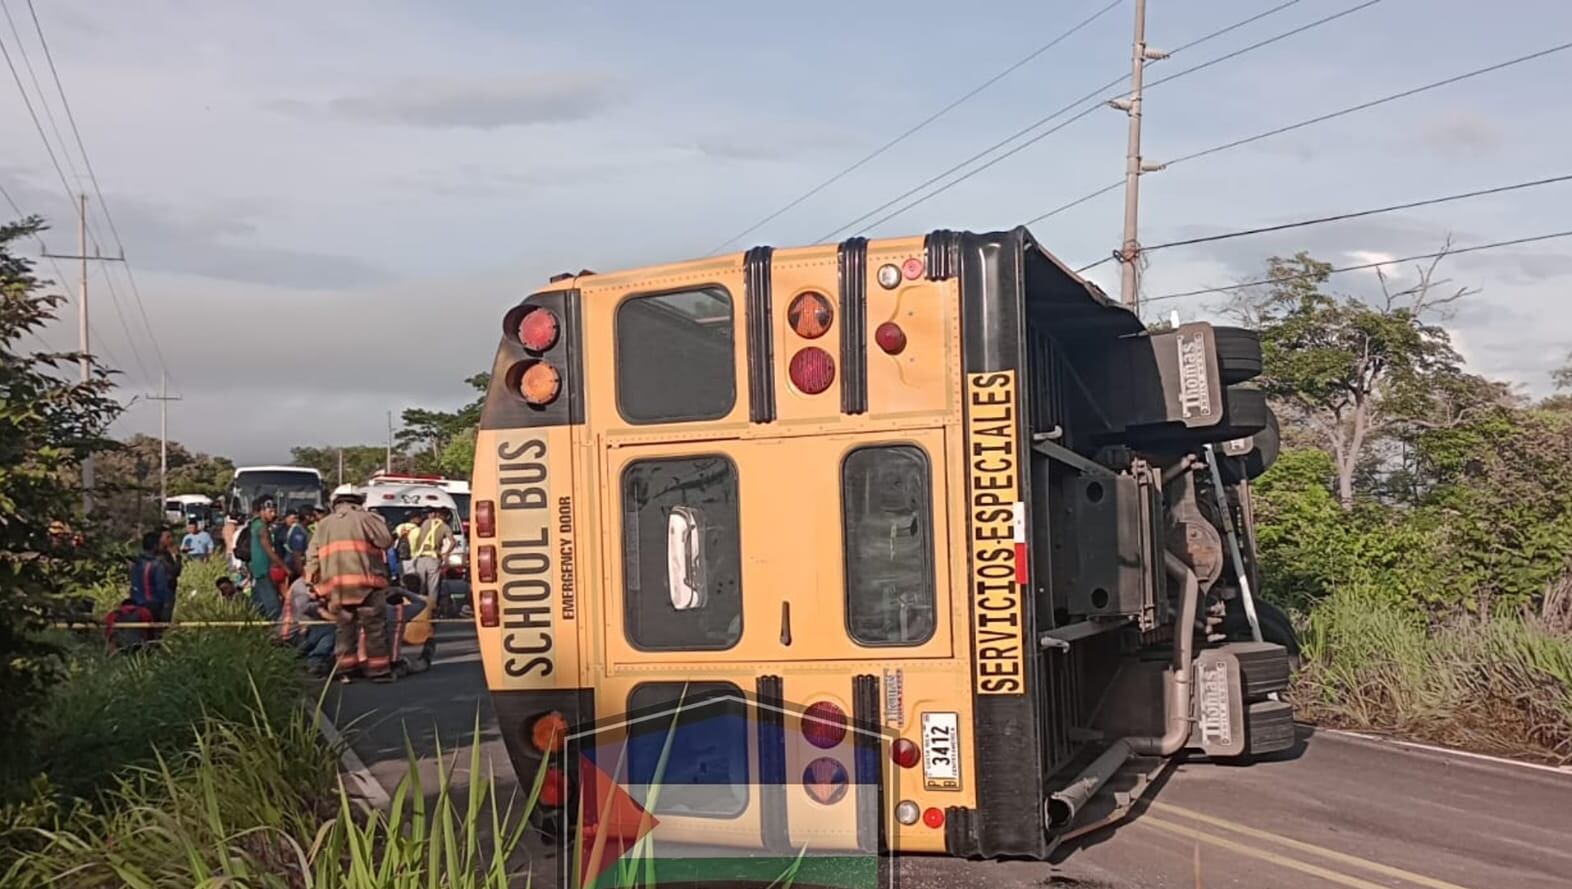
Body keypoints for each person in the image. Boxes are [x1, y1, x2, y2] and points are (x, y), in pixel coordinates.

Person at [305, 488, 396, 682]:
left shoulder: (323, 524)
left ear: (336, 502)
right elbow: (386, 541)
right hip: (367, 584)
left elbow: (312, 556)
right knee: (374, 628)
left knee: (344, 628)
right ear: (358, 501)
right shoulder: (366, 518)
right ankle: (379, 672)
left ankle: (345, 670)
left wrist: (310, 582)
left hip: (337, 588)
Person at [246, 497, 288, 620]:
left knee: (258, 604)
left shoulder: (254, 523)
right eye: (271, 511)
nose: (274, 514)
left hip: (256, 569)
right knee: (273, 606)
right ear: (262, 511)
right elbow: (269, 550)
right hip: (265, 569)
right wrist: (284, 567)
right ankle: (275, 631)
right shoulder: (262, 527)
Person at [409, 507, 455, 610]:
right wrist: (446, 554)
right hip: (434, 558)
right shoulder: (445, 527)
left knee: (420, 584)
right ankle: (431, 609)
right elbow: (453, 542)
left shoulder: (425, 522)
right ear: (446, 516)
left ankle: (418, 607)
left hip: (421, 557)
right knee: (433, 586)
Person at [129, 531, 174, 632]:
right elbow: (162, 587)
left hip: (136, 604)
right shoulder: (157, 564)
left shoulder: (135, 563)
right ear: (155, 546)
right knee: (155, 636)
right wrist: (167, 605)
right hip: (153, 606)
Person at [283, 508, 312, 579]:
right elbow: (297, 554)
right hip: (294, 567)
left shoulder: (302, 529)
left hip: (294, 565)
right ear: (307, 517)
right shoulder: (298, 531)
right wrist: (301, 572)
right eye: (312, 515)